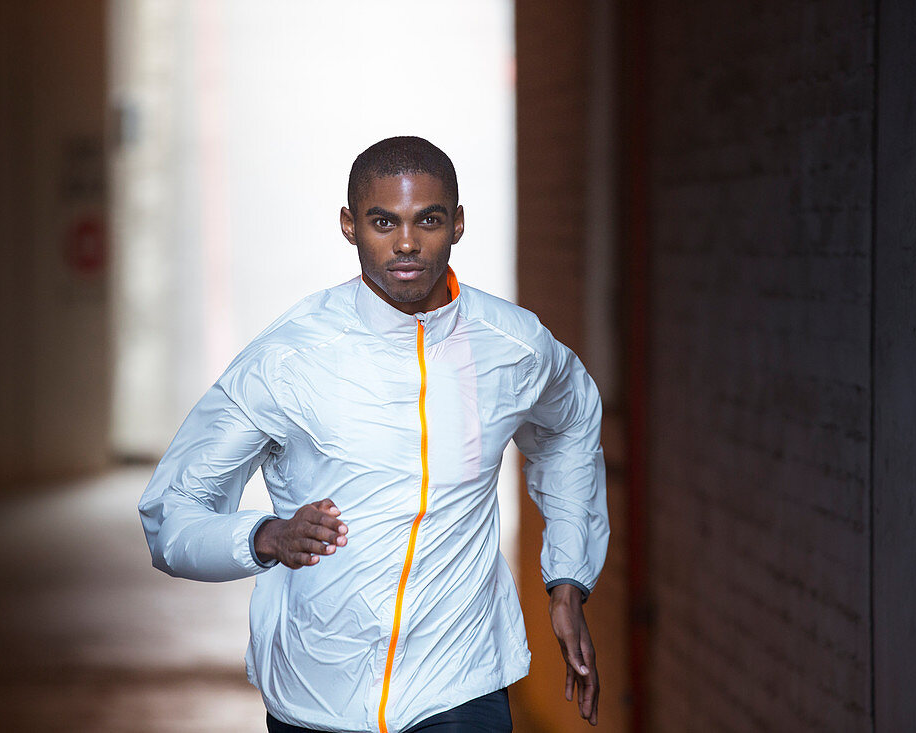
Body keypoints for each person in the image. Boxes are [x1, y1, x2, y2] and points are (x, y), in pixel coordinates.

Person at [139, 136, 609, 732]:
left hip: (459, 688)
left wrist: (568, 577)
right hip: (317, 693)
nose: (407, 243)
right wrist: (265, 536)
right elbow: (170, 514)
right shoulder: (289, 358)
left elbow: (571, 424)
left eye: (428, 220)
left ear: (458, 224)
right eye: (383, 221)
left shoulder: (512, 345)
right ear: (349, 225)